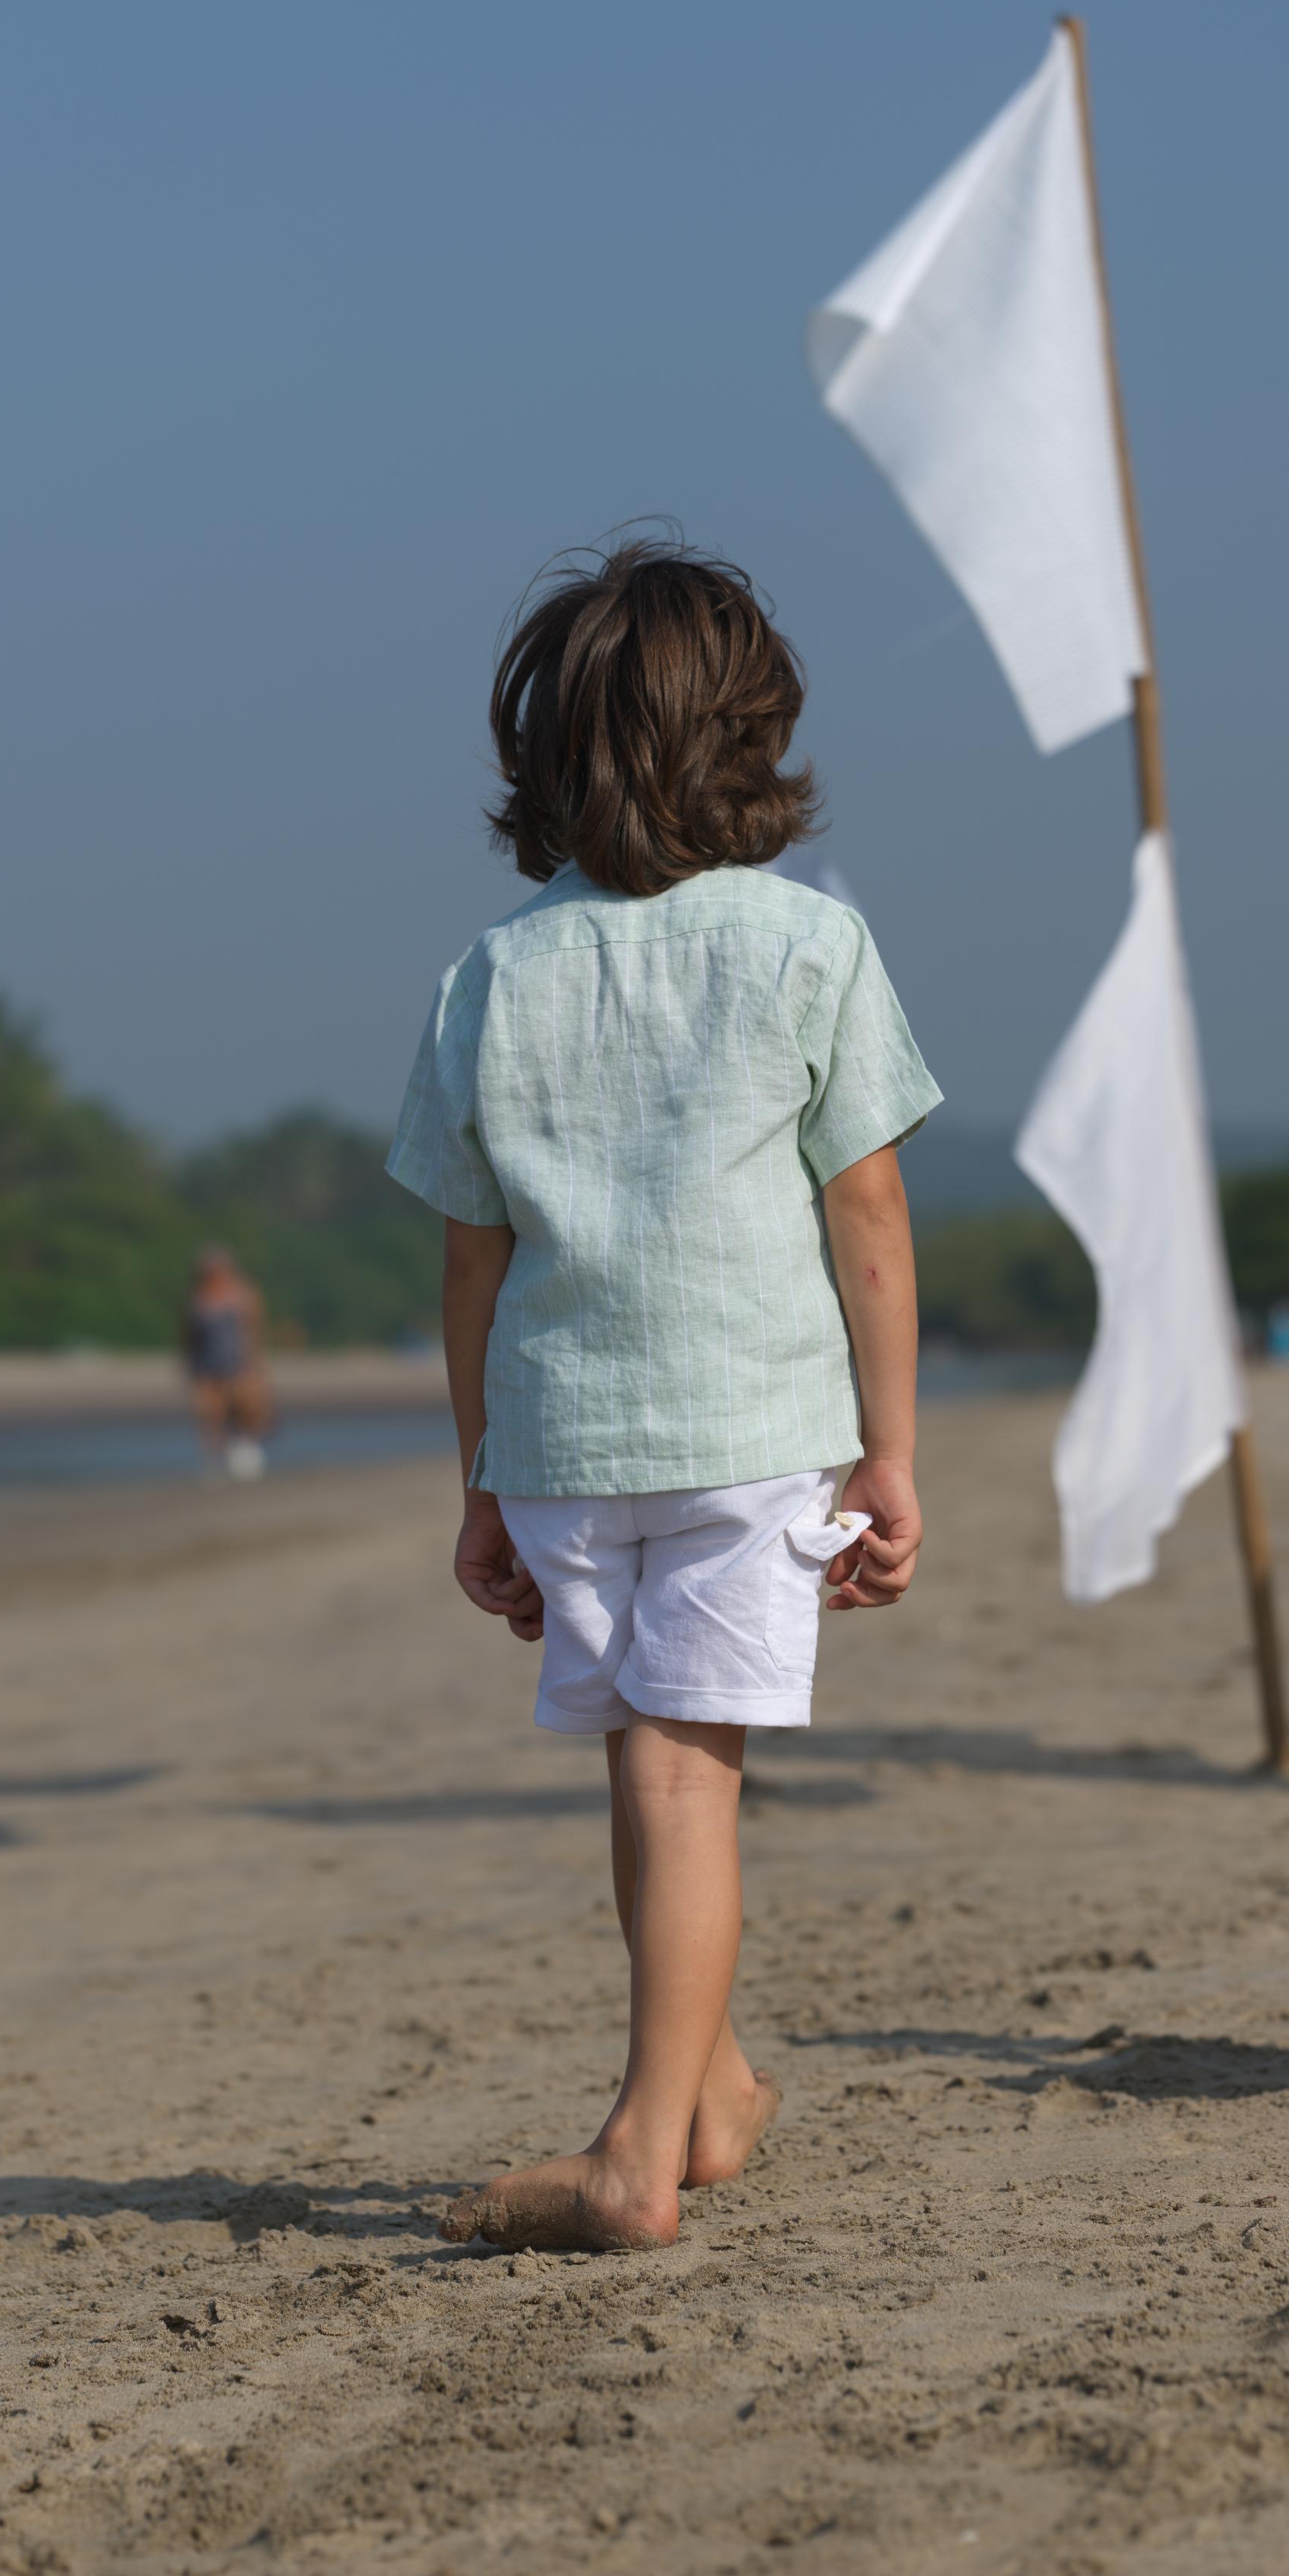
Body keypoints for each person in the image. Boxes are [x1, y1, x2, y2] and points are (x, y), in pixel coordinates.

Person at [386, 539, 940, 2252]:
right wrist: (896, 1453)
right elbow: (867, 1215)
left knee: (651, 1759)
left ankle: (707, 2092)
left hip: (565, 1436)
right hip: (750, 1423)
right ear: (754, 740)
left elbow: (471, 1259)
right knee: (690, 1778)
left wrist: (480, 1482)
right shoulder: (807, 948)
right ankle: (644, 2149)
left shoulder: (491, 973)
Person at [181, 1245, 273, 1479]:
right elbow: (187, 1335)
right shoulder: (197, 1298)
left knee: (245, 1409)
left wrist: (254, 1363)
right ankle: (214, 1461)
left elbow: (253, 1329)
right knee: (210, 1414)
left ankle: (245, 1450)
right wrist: (187, 1362)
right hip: (206, 1364)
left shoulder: (243, 1294)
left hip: (237, 1361)